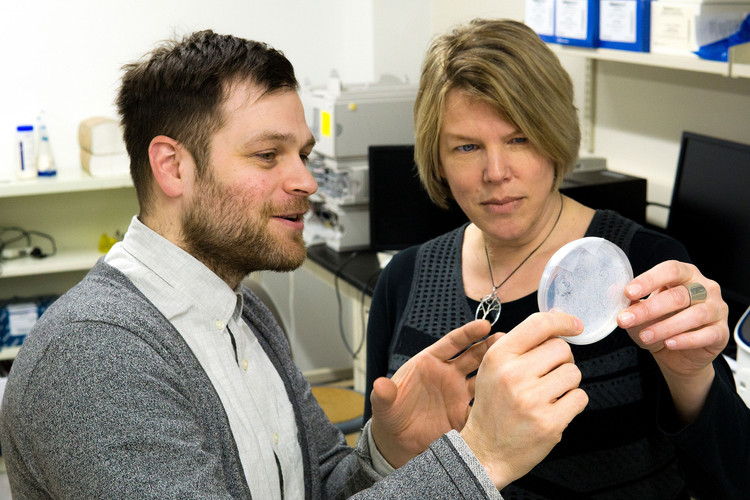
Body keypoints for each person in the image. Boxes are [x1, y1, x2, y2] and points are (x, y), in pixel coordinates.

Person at [0, 30, 591, 499]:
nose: (306, 181)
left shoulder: (245, 312)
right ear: (172, 167)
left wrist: (389, 452)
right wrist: (481, 458)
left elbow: (323, 484)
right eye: (268, 155)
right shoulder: (95, 353)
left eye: (302, 154)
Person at [364, 18, 750, 499]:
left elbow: (736, 479)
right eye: (467, 146)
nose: (496, 172)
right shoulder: (404, 278)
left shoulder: (644, 267)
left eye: (519, 139)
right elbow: (374, 476)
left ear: (555, 137)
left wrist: (691, 378)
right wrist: (391, 452)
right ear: (437, 159)